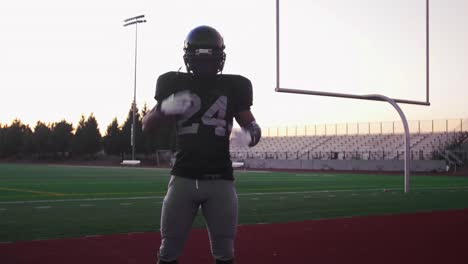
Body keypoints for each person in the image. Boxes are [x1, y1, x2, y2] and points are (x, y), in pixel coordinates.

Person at [142, 25, 261, 264]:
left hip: (220, 179)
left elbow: (253, 128)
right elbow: (147, 124)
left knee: (224, 251)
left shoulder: (233, 86)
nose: (206, 65)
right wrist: (165, 109)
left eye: (210, 60)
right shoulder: (173, 83)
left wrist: (248, 136)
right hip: (184, 178)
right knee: (169, 249)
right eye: (201, 60)